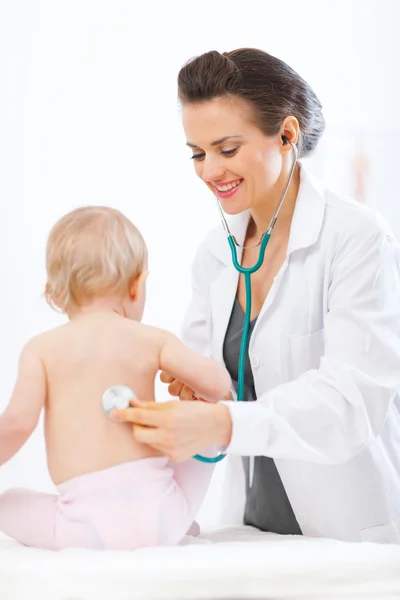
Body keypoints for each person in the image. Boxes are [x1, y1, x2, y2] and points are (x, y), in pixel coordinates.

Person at [113, 48, 400, 544]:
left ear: (287, 135)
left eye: (226, 149)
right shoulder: (216, 255)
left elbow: (351, 402)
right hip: (256, 526)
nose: (208, 171)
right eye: (198, 153)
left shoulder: (357, 238)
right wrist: (197, 391)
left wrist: (222, 420)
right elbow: (220, 387)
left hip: (349, 533)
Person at [0, 206, 231, 550]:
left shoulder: (42, 350)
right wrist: (195, 391)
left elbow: (17, 425)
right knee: (211, 424)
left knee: (7, 504)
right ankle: (177, 527)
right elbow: (218, 386)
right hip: (164, 516)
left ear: (54, 291)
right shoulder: (153, 339)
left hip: (82, 529)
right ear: (137, 286)